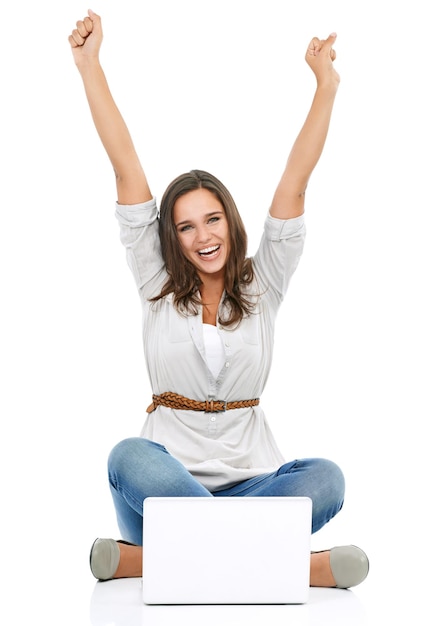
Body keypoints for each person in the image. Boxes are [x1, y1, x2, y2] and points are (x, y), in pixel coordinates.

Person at [69, 10, 369, 589]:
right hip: (165, 482)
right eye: (185, 227)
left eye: (212, 221)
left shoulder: (264, 283)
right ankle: (283, 565)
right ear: (170, 239)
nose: (203, 237)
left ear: (231, 223)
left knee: (326, 479)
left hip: (253, 483)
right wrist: (89, 66)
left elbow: (295, 184)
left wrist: (325, 85)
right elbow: (125, 166)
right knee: (126, 457)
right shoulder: (157, 283)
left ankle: (155, 561)